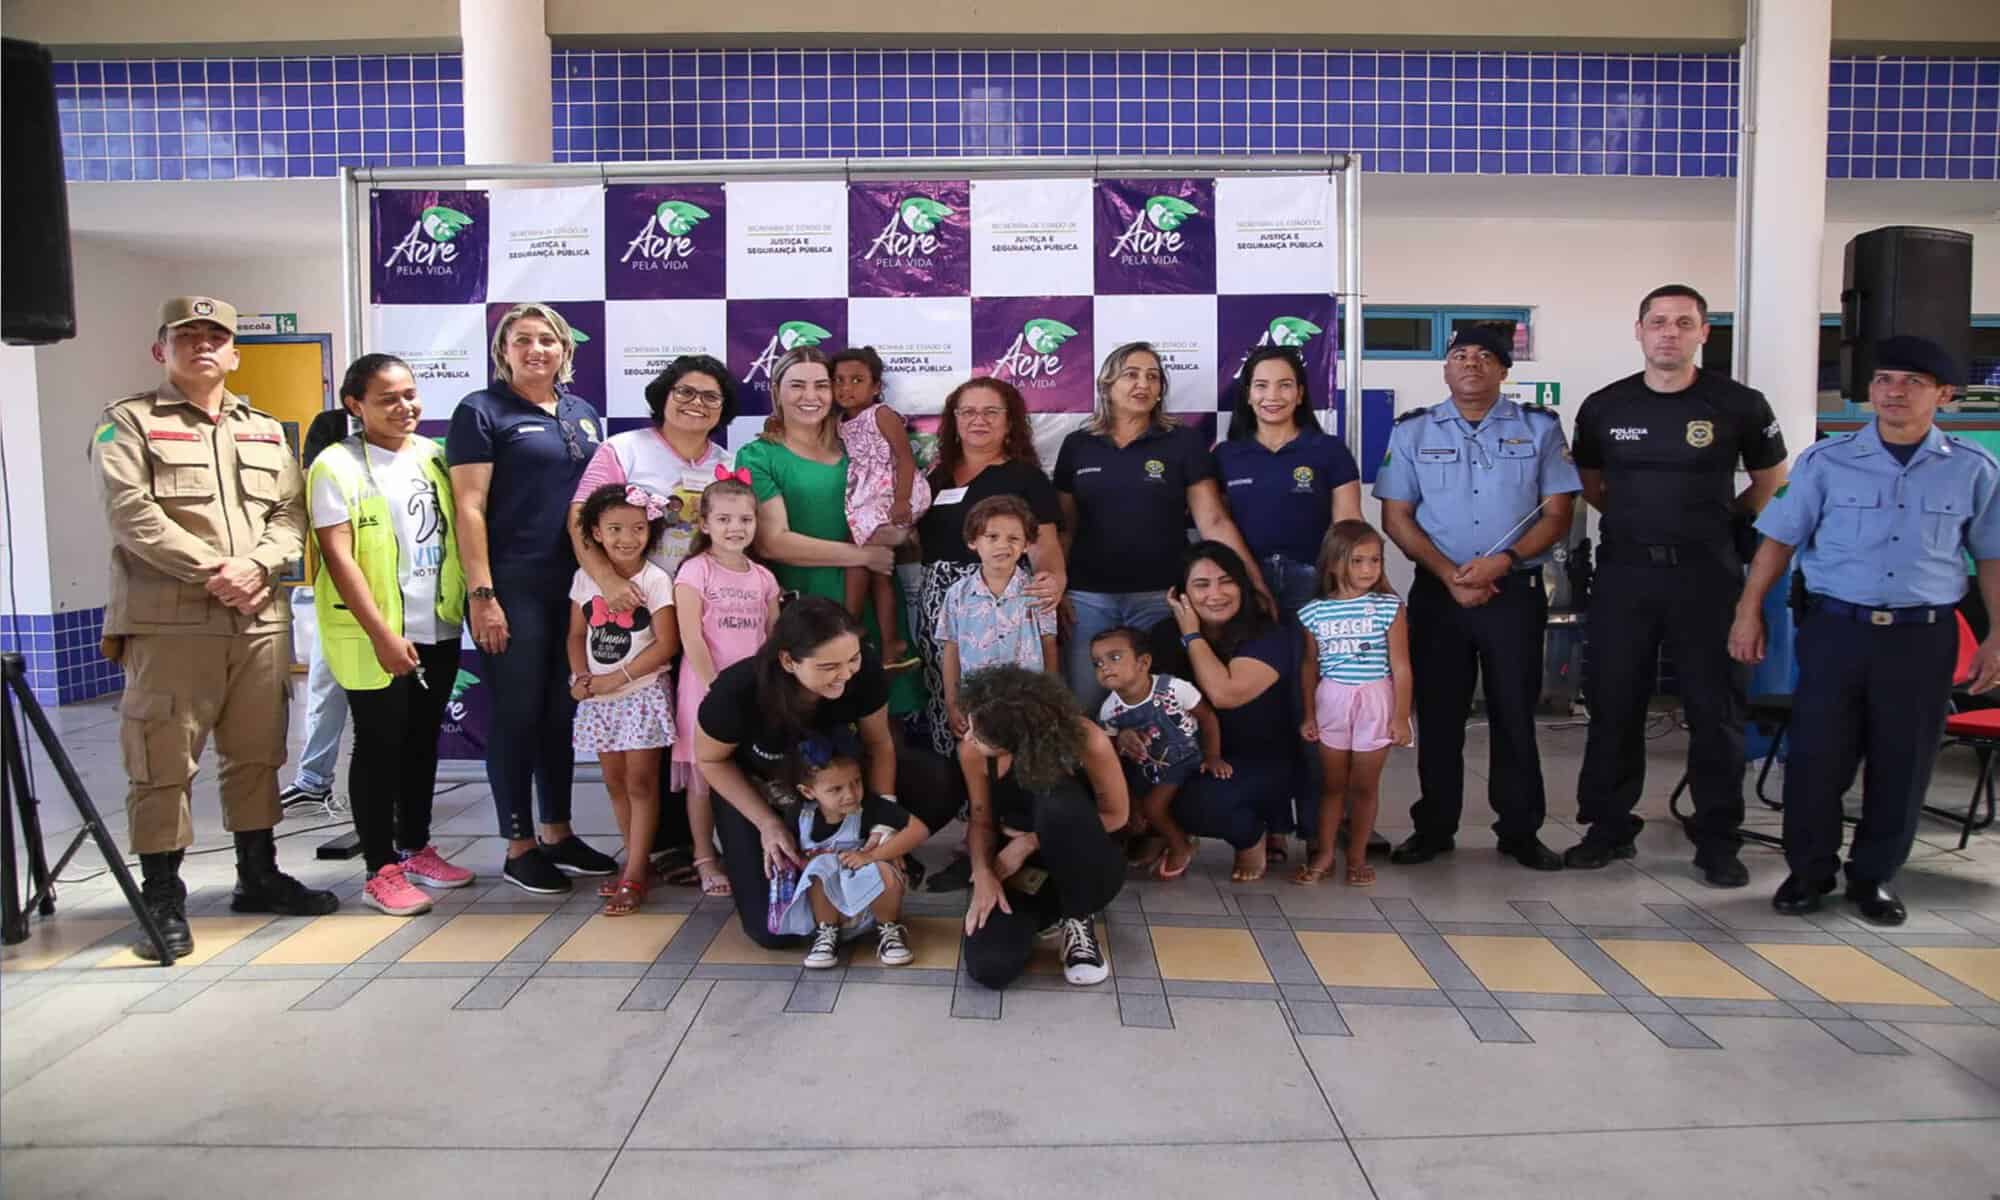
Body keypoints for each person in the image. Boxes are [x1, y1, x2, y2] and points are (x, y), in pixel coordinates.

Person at [93, 296, 337, 959]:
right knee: (163, 761)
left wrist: (256, 564)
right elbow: (132, 515)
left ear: (234, 352)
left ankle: (257, 875)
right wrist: (215, 570)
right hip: (172, 623)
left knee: (258, 752)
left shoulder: (262, 430)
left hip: (255, 618)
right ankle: (162, 896)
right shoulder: (127, 424)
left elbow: (290, 511)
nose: (202, 345)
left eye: (215, 337)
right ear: (161, 350)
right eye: (186, 335)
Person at [1731, 336, 2000, 927]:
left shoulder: (1972, 469)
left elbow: (1992, 557)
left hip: (1921, 637)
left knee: (1903, 763)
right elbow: (1778, 539)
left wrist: (1996, 636)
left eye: (1911, 382)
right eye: (1883, 380)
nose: (1893, 392)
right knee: (1817, 758)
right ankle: (1809, 872)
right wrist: (1749, 609)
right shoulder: (1827, 462)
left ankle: (1874, 877)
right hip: (1837, 630)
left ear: (1944, 395)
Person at [1566, 285, 1788, 887]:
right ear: (1638, 330)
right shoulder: (1605, 406)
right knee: (1614, 703)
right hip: (1625, 574)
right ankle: (1609, 827)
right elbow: (1593, 485)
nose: (1669, 332)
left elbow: (1770, 482)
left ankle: (1717, 838)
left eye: (1683, 323)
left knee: (1715, 711)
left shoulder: (1738, 403)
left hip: (1706, 574)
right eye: (1658, 322)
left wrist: (1722, 523)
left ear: (1702, 334)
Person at [1373, 325, 1580, 872]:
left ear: (1503, 370)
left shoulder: (1539, 429)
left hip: (1513, 592)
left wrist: (1502, 563)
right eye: (1460, 355)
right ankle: (1434, 828)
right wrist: (1448, 574)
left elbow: (1558, 513)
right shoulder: (1413, 431)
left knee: (1515, 713)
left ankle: (1519, 831)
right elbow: (1395, 516)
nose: (1471, 364)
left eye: (1485, 357)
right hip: (1440, 597)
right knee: (1439, 717)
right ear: (1445, 368)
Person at [447, 302, 617, 894]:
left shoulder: (582, 413)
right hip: (512, 585)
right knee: (517, 714)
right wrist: (482, 593)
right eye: (523, 340)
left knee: (558, 713)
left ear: (566, 351)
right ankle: (519, 845)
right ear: (504, 351)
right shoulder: (481, 411)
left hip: (572, 587)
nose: (536, 350)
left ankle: (558, 833)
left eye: (548, 340)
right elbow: (468, 506)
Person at [307, 353, 473, 918]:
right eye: (387, 398)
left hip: (436, 624)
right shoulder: (335, 465)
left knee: (422, 743)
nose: (405, 407)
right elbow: (339, 557)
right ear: (355, 405)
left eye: (409, 395)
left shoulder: (433, 455)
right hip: (373, 633)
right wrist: (380, 634)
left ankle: (415, 846)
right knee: (379, 748)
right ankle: (379, 868)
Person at [694, 597, 963, 946]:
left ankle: (880, 855)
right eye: (829, 667)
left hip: (842, 786)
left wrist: (883, 817)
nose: (845, 674)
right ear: (788, 661)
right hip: (763, 794)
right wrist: (767, 823)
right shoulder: (738, 690)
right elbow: (711, 761)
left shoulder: (863, 673)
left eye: (852, 660)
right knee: (774, 932)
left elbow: (879, 744)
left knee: (941, 779)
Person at [570, 354, 736, 885]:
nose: (696, 403)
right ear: (662, 397)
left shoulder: (724, 463)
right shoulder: (623, 449)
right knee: (641, 742)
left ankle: (700, 846)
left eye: (710, 396)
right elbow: (580, 518)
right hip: (630, 620)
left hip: (703, 616)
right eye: (685, 392)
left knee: (693, 730)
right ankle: (654, 851)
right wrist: (610, 581)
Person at [1056, 342, 1269, 715]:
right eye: (1132, 374)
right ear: (1107, 384)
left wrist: (1254, 582)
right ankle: (1095, 775)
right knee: (1086, 706)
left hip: (1161, 597)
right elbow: (1064, 530)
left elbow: (1213, 521)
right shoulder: (1078, 445)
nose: (1143, 384)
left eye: (1153, 377)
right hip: (1088, 600)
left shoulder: (1182, 442)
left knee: (1163, 709)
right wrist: (1056, 586)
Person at [736, 348, 920, 717]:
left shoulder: (861, 444)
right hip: (804, 607)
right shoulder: (758, 455)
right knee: (808, 723)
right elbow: (773, 542)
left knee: (882, 726)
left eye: (821, 385)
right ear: (776, 391)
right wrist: (865, 554)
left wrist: (899, 534)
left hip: (874, 603)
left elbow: (905, 513)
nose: (811, 396)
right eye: (797, 385)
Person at [911, 377, 1066, 757]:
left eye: (991, 412)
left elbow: (1045, 545)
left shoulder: (1025, 477)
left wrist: (1053, 582)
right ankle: (962, 790)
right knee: (949, 696)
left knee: (1010, 699)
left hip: (1006, 600)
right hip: (942, 602)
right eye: (968, 412)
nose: (978, 420)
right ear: (954, 420)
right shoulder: (936, 476)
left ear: (1009, 422)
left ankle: (1012, 793)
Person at [958, 665, 1129, 989]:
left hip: (1086, 863)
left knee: (1058, 805)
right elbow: (980, 822)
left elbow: (1117, 816)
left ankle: (1078, 918)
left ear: (1018, 738)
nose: (969, 736)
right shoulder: (973, 753)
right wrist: (983, 874)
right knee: (990, 967)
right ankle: (1046, 917)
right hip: (1019, 872)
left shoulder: (1086, 740)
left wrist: (1032, 841)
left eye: (980, 734)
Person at [1153, 543, 1311, 883]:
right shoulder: (1164, 635)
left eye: (1226, 581)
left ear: (1242, 584)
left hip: (1262, 762)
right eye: (1201, 585)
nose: (1216, 594)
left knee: (1197, 803)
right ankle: (1159, 837)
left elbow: (1224, 694)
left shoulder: (1267, 634)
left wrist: (1192, 634)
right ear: (1181, 594)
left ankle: (1251, 836)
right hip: (1196, 759)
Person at [566, 484, 680, 914]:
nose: (626, 538)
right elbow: (576, 635)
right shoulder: (585, 579)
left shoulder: (655, 579)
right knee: (614, 781)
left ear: (650, 532)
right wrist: (580, 677)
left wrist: (620, 677)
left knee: (641, 783)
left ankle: (633, 873)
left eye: (637, 528)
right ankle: (635, 860)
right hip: (599, 698)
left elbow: (667, 643)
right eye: (614, 528)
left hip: (641, 695)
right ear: (594, 532)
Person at [673, 476, 781, 898]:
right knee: (702, 777)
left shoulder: (764, 578)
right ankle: (704, 856)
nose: (735, 528)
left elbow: (772, 639)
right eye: (724, 519)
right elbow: (691, 637)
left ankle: (752, 846)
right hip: (704, 691)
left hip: (752, 694)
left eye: (745, 519)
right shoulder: (694, 572)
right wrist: (717, 688)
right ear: (704, 524)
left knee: (746, 771)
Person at [1295, 521, 1413, 887]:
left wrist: (1401, 717)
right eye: (1357, 561)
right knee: (1332, 786)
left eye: (1374, 560)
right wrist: (1310, 715)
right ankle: (1326, 852)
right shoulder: (1314, 612)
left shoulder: (1389, 607)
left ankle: (1358, 856)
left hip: (1376, 702)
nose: (1367, 569)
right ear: (1333, 564)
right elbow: (1310, 666)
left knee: (1364, 787)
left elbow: (1401, 665)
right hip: (1332, 701)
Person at [1216, 345, 1363, 616]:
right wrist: (1249, 580)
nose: (1272, 396)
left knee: (1309, 659)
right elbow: (1216, 524)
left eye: (1284, 385)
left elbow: (1348, 524)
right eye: (1261, 385)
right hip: (1246, 582)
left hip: (1315, 581)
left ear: (1300, 394)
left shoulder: (1329, 450)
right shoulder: (1225, 455)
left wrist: (1350, 585)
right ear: (1248, 394)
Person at [770, 731, 925, 969]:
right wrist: (806, 861)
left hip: (869, 909)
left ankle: (888, 930)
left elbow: (918, 830)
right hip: (828, 908)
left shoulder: (870, 806)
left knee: (883, 867)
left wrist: (873, 855)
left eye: (856, 782)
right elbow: (791, 858)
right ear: (808, 792)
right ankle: (826, 933)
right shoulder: (800, 815)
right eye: (836, 789)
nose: (851, 794)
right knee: (818, 868)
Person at [1089, 626, 1221, 881]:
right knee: (1134, 804)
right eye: (1097, 663)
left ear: (1143, 662)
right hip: (1148, 764)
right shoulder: (1109, 710)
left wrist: (1212, 755)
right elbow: (1112, 756)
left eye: (1114, 658)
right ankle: (1149, 840)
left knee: (1153, 807)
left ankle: (1181, 845)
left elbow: (1208, 718)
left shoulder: (1173, 688)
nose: (1104, 666)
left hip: (1182, 758)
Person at [280, 405, 359, 811]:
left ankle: (393, 789)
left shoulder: (415, 453)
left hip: (404, 596)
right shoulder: (331, 431)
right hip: (340, 593)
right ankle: (313, 778)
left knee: (389, 704)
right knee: (327, 686)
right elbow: (309, 489)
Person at [833, 347, 932, 668]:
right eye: (839, 381)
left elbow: (905, 458)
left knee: (859, 553)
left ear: (876, 387)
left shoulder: (882, 415)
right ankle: (891, 643)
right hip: (867, 497)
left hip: (896, 495)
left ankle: (849, 622)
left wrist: (902, 500)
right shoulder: (839, 422)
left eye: (857, 380)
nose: (846, 388)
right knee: (878, 571)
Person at [936, 495, 1060, 736]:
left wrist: (1051, 698)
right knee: (979, 756)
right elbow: (951, 650)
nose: (1003, 545)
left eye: (1013, 538)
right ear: (973, 541)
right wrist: (952, 703)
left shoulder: (1038, 592)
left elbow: (1049, 644)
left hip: (1028, 701)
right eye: (992, 537)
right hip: (978, 702)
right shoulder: (957, 595)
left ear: (1026, 545)